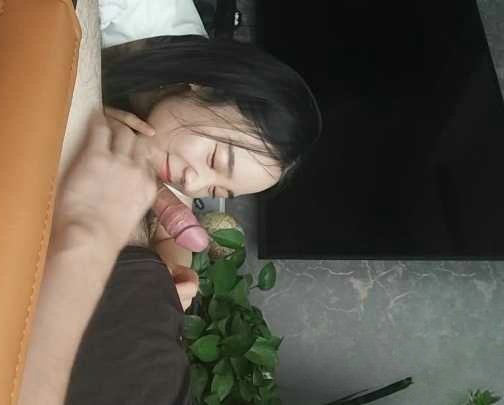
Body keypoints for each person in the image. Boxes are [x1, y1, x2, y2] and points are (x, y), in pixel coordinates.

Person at [19, 0, 323, 404]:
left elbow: (171, 224)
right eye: (215, 159)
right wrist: (84, 110)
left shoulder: (172, 153)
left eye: (216, 192)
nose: (193, 180)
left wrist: (176, 269)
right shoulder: (137, 10)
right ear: (206, 85)